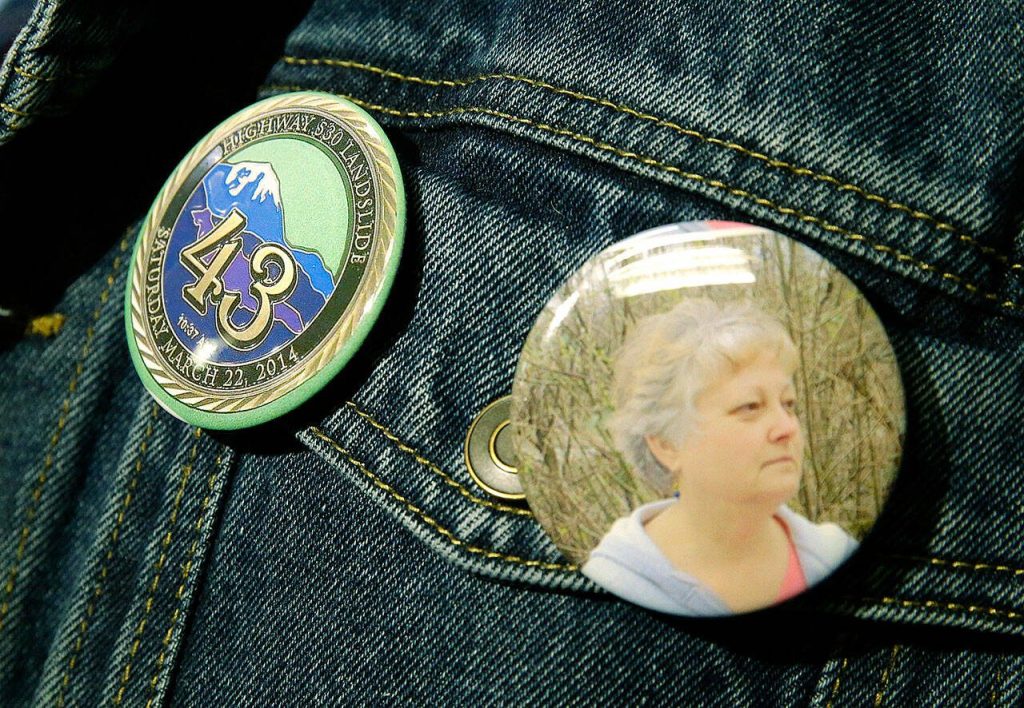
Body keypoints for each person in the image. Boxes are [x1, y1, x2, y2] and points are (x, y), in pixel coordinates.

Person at [583, 299, 858, 616]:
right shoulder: (610, 586)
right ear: (667, 444)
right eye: (750, 407)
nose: (786, 428)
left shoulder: (836, 554)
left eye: (789, 403)